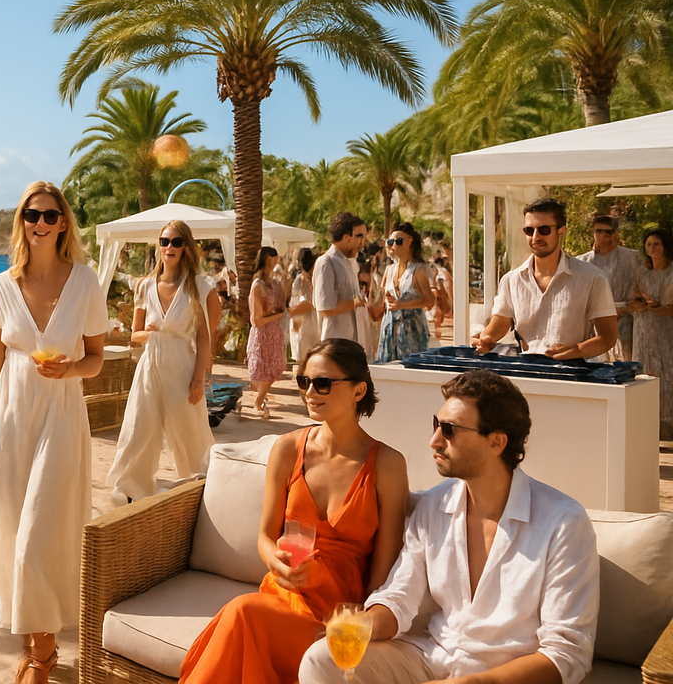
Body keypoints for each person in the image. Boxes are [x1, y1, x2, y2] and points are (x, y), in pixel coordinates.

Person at [298, 370, 599, 684]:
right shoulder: (433, 506)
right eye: (436, 425)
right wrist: (359, 626)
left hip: (503, 676)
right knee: (322, 660)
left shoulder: (563, 523)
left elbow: (567, 653)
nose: (434, 441)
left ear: (496, 441)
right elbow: (399, 597)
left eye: (450, 430)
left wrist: (474, 683)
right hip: (431, 659)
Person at [179, 339, 409, 683]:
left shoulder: (388, 464)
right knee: (246, 612)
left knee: (242, 613)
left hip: (338, 610)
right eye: (304, 382)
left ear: (358, 390)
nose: (310, 392)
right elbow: (265, 537)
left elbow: (384, 572)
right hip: (284, 591)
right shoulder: (287, 449)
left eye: (323, 383)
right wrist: (276, 562)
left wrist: (358, 626)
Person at [0, 181, 107, 683]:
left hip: (61, 416)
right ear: (22, 221)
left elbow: (95, 359)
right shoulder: (1, 285)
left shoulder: (86, 281)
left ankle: (43, 658)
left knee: (40, 535)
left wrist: (71, 370)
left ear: (64, 222)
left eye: (51, 215)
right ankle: (32, 645)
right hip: (10, 417)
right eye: (33, 215)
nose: (42, 224)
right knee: (12, 530)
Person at [106, 220, 221, 507]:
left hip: (182, 364)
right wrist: (149, 332)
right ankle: (130, 492)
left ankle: (205, 488)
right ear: (158, 245)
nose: (170, 247)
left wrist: (198, 379)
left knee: (190, 432)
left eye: (177, 242)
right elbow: (135, 334)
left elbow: (205, 338)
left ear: (186, 247)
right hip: (150, 365)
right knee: (138, 429)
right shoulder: (145, 286)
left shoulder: (199, 287)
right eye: (165, 241)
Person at [472, 197, 616, 359]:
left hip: (573, 375)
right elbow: (501, 322)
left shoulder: (592, 278)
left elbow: (608, 338)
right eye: (529, 230)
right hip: (527, 373)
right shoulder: (511, 280)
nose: (536, 236)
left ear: (561, 232)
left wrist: (578, 350)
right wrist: (485, 339)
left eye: (544, 230)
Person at [577, 214, 643, 360]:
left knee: (629, 369)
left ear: (616, 233)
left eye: (608, 232)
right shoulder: (582, 262)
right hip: (594, 326)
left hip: (627, 323)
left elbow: (642, 289)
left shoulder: (632, 258)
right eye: (599, 231)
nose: (603, 236)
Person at [632, 227, 673, 440]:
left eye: (656, 244)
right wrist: (641, 300)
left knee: (667, 375)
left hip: (665, 330)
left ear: (665, 245)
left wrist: (658, 306)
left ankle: (666, 429)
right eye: (648, 244)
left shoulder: (671, 271)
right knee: (644, 373)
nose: (652, 248)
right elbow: (633, 296)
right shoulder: (640, 271)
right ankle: (646, 425)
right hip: (642, 328)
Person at [375, 223, 434, 363]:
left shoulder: (418, 270)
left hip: (412, 330)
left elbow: (430, 301)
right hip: (389, 328)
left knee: (411, 370)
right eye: (390, 242)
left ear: (410, 241)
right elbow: (383, 303)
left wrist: (403, 304)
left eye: (398, 241)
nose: (393, 245)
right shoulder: (389, 270)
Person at [248, 246, 289, 418]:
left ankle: (260, 398)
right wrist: (277, 316)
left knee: (274, 369)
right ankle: (259, 400)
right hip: (264, 332)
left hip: (274, 331)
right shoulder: (258, 285)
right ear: (267, 259)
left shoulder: (275, 283)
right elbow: (257, 319)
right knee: (263, 369)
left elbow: (283, 305)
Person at [315, 213, 366, 344]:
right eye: (359, 236)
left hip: (352, 343)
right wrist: (355, 303)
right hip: (335, 344)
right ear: (346, 237)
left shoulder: (349, 262)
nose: (362, 242)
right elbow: (325, 308)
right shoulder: (327, 262)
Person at [289, 248, 320, 362]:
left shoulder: (313, 279)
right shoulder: (300, 282)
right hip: (304, 324)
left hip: (313, 325)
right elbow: (301, 304)